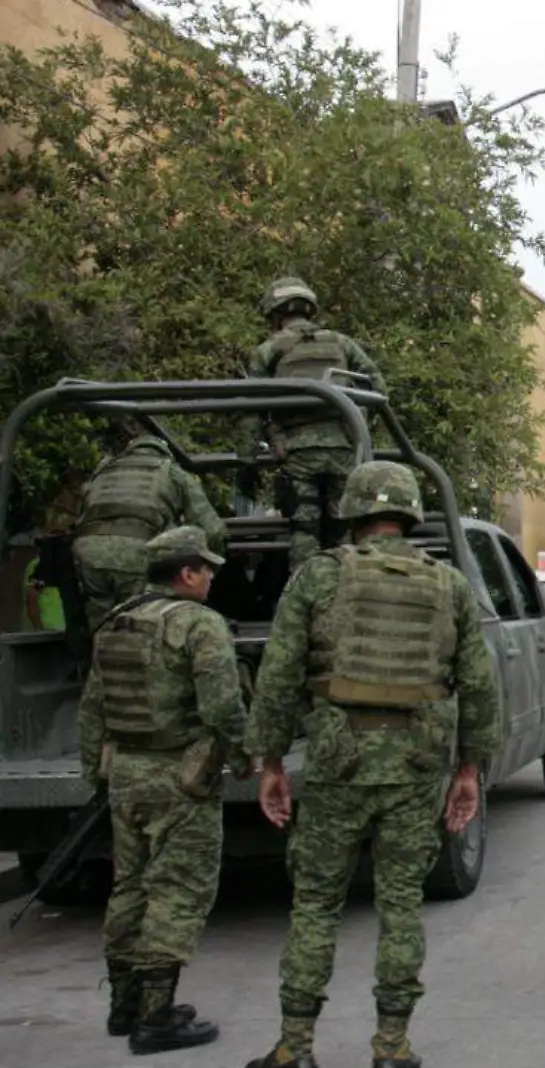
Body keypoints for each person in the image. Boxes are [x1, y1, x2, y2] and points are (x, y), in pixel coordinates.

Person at [245, 461, 500, 1068]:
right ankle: (392, 1047)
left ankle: (295, 1048)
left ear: (353, 513)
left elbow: (278, 677)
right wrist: (469, 770)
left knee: (315, 903)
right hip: (416, 766)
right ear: (410, 513)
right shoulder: (448, 585)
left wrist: (272, 761)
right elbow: (480, 686)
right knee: (402, 904)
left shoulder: (317, 578)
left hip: (339, 763)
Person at [77, 526, 248, 1054]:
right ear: (186, 573)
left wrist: (95, 773)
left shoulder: (115, 622)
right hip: (182, 776)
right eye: (207, 568)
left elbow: (92, 708)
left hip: (126, 773)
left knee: (129, 886)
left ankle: (123, 1006)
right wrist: (246, 758)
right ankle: (157, 1017)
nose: (212, 577)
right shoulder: (200, 625)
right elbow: (222, 707)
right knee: (178, 890)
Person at [242, 276, 387, 572]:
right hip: (343, 452)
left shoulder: (270, 349)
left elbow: (249, 408)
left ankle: (306, 599)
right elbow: (378, 388)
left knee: (304, 533)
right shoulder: (342, 343)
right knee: (345, 531)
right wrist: (358, 431)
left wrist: (247, 462)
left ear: (276, 314)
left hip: (297, 454)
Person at [73, 423, 227, 634]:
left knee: (101, 630)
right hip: (134, 554)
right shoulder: (172, 471)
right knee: (138, 629)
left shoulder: (104, 469)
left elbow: (82, 512)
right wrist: (208, 567)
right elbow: (213, 530)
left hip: (87, 554)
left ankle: (100, 662)